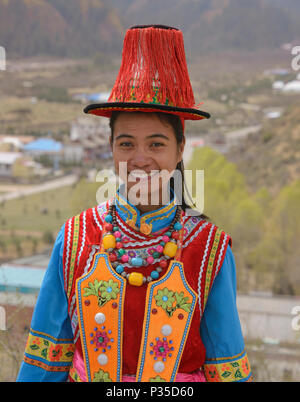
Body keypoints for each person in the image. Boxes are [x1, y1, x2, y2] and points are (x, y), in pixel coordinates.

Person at [17, 25, 252, 382]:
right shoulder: (75, 238)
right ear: (111, 148)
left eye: (156, 144)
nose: (140, 158)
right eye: (126, 144)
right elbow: (45, 360)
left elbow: (227, 368)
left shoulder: (210, 249)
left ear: (180, 148)